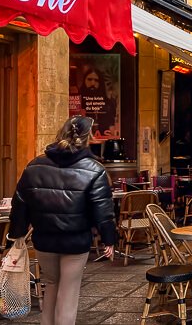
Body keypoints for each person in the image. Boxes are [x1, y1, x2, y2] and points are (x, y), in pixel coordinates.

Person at [10, 116, 116, 325]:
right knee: (69, 292)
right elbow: (103, 210)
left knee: (50, 286)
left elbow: (20, 203)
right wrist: (109, 239)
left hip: (44, 240)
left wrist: (17, 234)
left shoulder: (35, 165)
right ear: (89, 138)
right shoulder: (94, 170)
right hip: (75, 241)